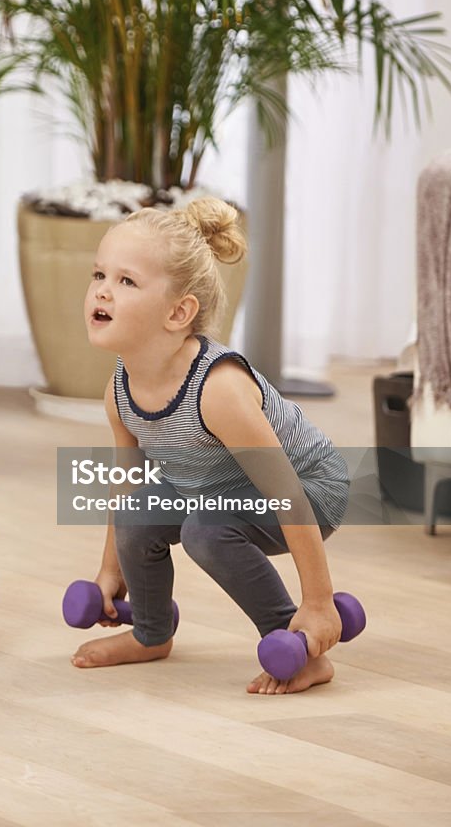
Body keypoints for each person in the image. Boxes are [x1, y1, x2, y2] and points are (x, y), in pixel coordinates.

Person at [71, 196, 350, 694]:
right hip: (219, 486)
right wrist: (110, 571)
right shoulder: (120, 390)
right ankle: (151, 634)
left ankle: (295, 644)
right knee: (138, 509)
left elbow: (287, 491)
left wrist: (319, 601)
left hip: (310, 489)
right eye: (99, 276)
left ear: (179, 313)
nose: (103, 292)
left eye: (126, 281)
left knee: (206, 529)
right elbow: (127, 483)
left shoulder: (217, 389)